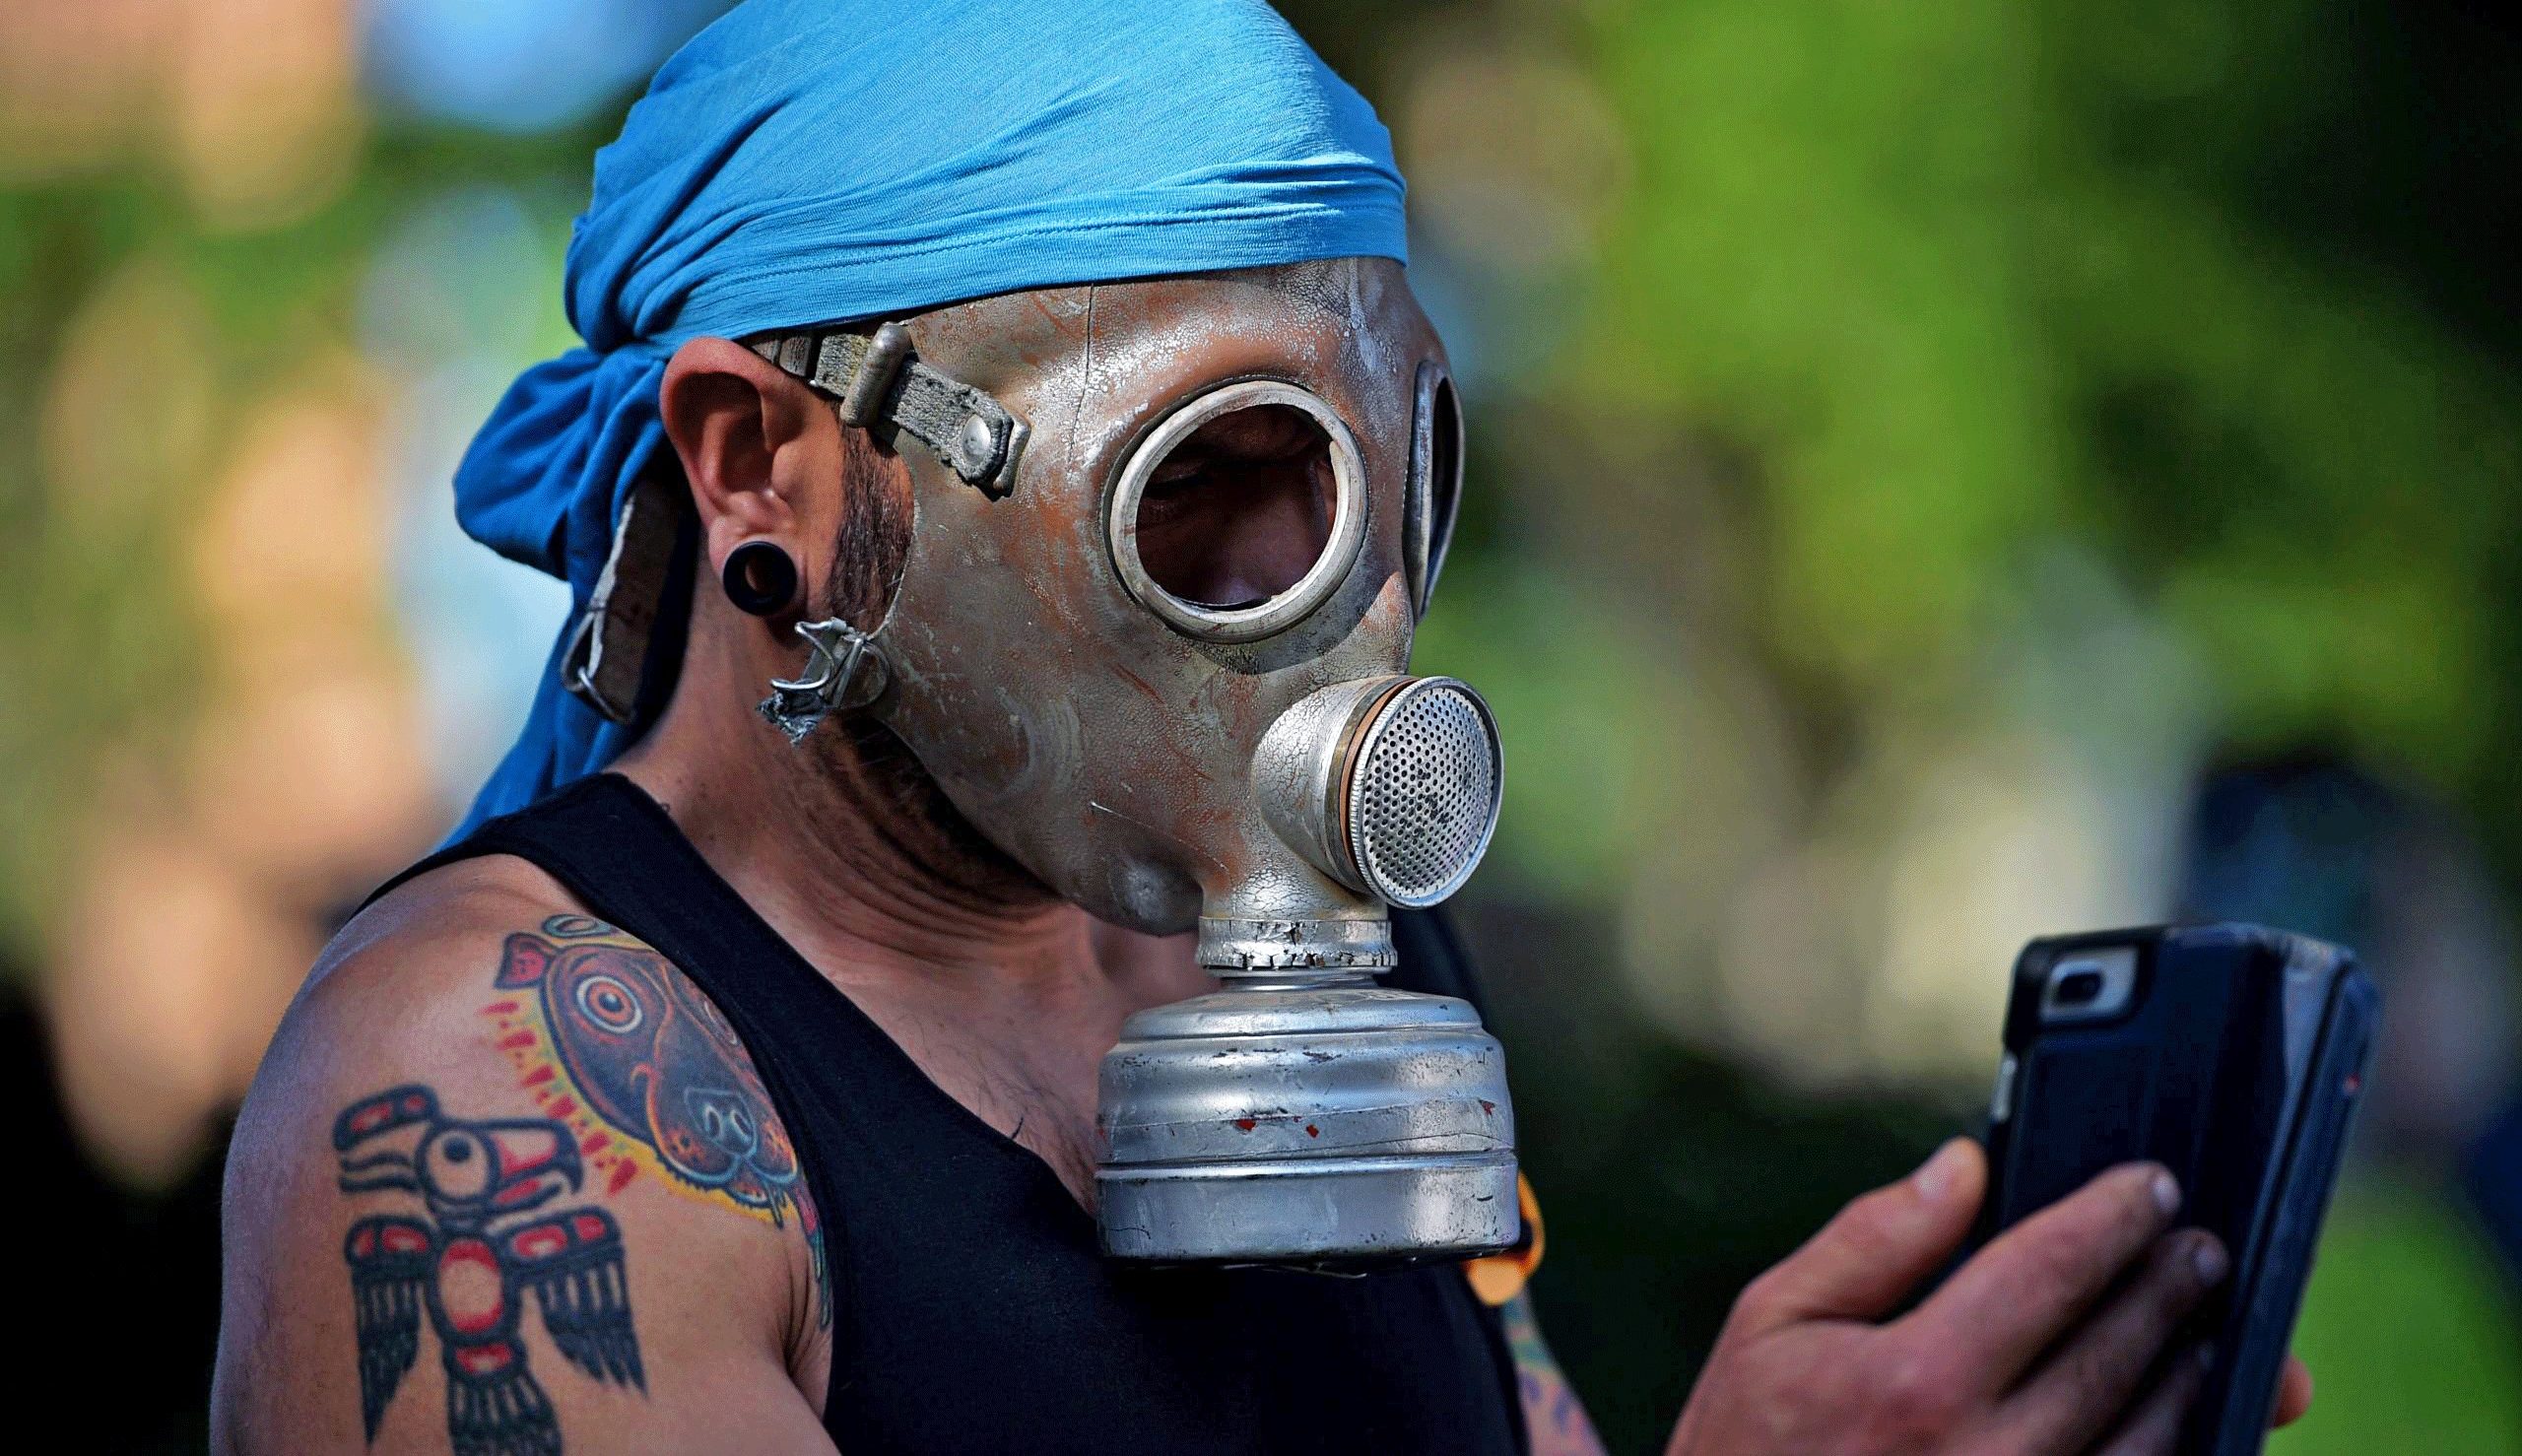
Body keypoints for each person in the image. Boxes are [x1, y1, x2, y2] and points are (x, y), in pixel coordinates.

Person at [211, 3, 2312, 1452]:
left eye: (1400, 481)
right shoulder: (502, 1103)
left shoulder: (1327, 978)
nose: (1356, 617)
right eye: (1215, 476)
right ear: (766, 464)